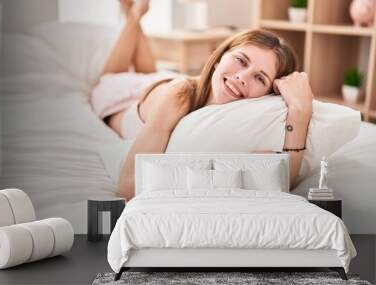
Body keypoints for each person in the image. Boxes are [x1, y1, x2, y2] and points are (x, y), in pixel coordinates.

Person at [90, 0, 314, 201]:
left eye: (259, 77)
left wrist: (300, 111)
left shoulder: (250, 111)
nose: (242, 77)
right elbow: (128, 188)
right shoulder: (177, 97)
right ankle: (134, 14)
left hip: (164, 83)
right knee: (111, 78)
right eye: (241, 60)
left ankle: (135, 13)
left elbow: (283, 180)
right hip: (123, 99)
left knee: (148, 72)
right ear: (218, 58)